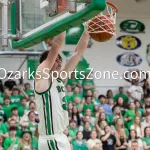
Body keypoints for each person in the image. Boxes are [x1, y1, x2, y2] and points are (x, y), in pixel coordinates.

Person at [34, 31, 90, 150]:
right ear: (45, 64)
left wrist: (87, 30)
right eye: (56, 60)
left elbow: (78, 52)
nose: (60, 63)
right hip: (51, 138)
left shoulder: (60, 78)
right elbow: (57, 44)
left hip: (60, 136)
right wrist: (65, 21)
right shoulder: (43, 79)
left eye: (60, 60)